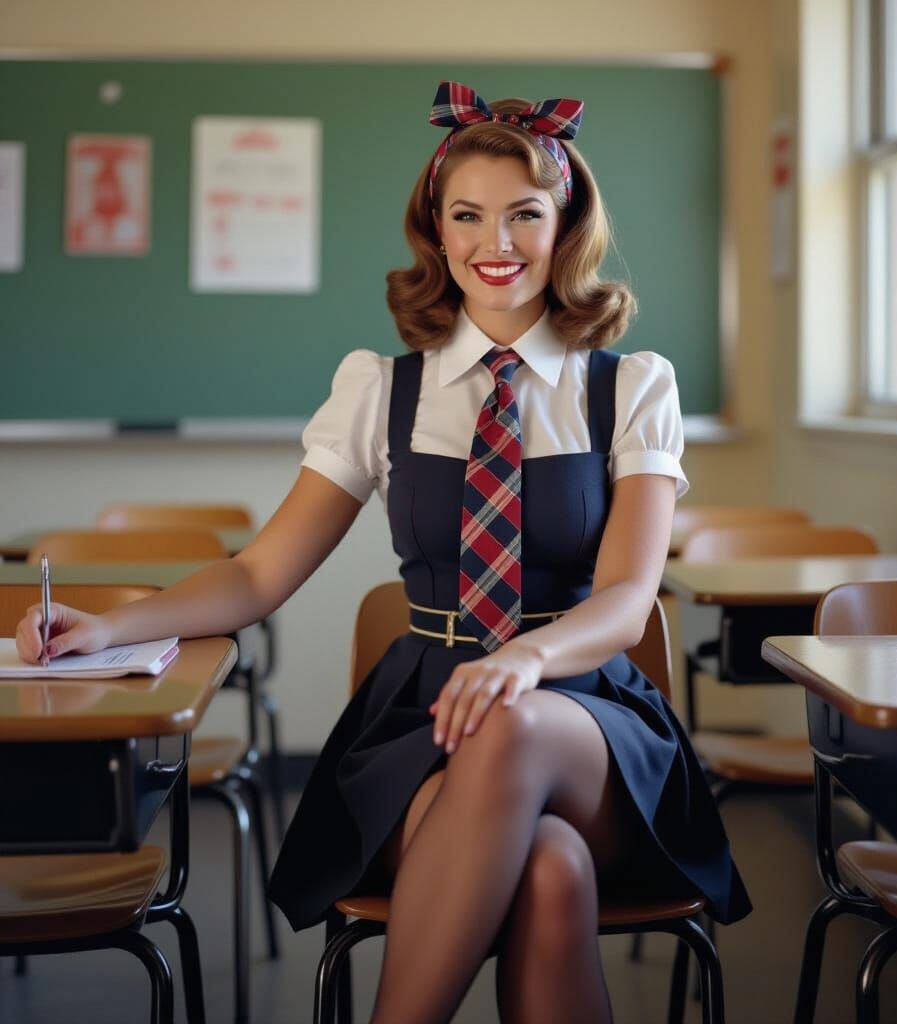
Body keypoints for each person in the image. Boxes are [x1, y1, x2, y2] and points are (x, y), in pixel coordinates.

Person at [16, 80, 750, 1024]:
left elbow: (625, 597)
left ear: (565, 226)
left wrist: (523, 660)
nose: (497, 243)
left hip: (587, 716)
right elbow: (254, 575)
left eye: (525, 215)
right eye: (468, 216)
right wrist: (105, 626)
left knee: (511, 723)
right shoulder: (381, 392)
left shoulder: (630, 387)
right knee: (551, 872)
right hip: (422, 724)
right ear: (435, 231)